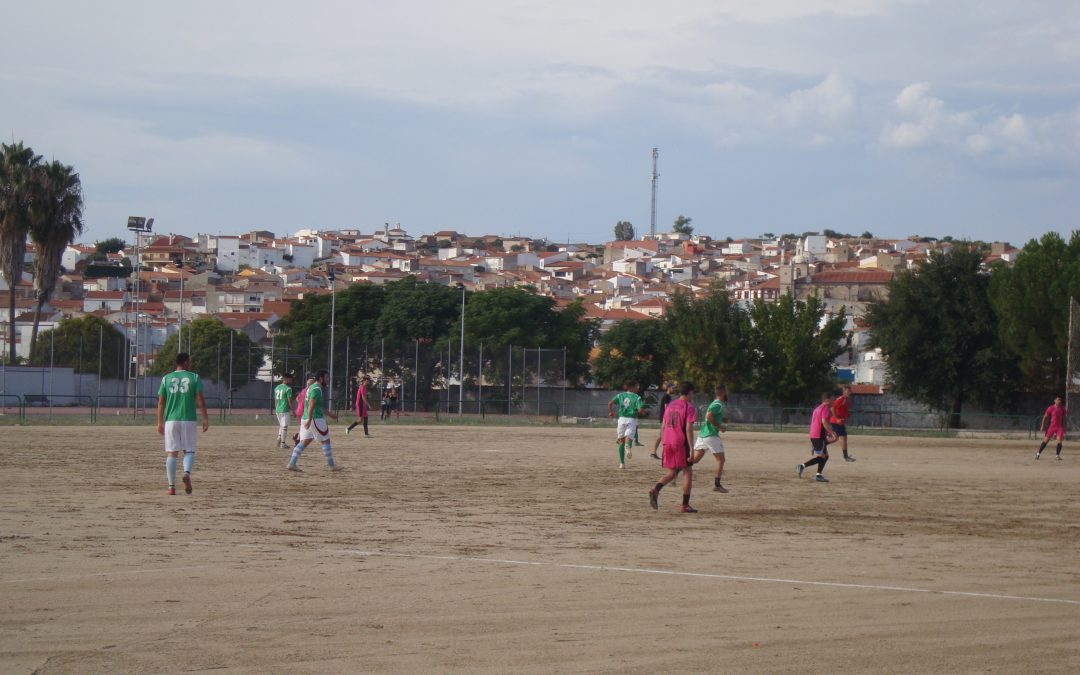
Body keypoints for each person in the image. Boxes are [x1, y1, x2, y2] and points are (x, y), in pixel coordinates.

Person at [156, 352, 209, 495]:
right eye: (189, 361)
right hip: (188, 419)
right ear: (185, 362)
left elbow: (161, 402)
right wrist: (205, 419)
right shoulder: (194, 377)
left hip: (171, 420)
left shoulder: (166, 378)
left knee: (172, 453)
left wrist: (159, 422)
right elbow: (200, 400)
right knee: (189, 450)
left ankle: (171, 487)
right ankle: (186, 473)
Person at [649, 381, 698, 512]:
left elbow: (663, 425)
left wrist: (664, 441)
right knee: (687, 471)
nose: (693, 395)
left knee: (671, 472)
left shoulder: (670, 405)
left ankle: (656, 489)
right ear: (689, 392)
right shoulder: (689, 407)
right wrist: (692, 448)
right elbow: (688, 429)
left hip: (667, 441)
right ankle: (685, 505)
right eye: (693, 392)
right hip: (680, 443)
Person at [287, 370, 343, 472]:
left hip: (306, 418)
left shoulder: (311, 388)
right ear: (320, 378)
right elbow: (312, 404)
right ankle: (331, 466)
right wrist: (309, 418)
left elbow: (316, 405)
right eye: (326, 377)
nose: (327, 380)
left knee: (304, 441)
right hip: (315, 419)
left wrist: (330, 415)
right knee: (325, 440)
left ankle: (292, 463)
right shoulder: (317, 389)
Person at [691, 384, 729, 492]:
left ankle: (676, 470)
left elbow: (711, 415)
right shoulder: (718, 404)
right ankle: (717, 485)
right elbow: (709, 416)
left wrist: (722, 419)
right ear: (722, 392)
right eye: (725, 391)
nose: (727, 393)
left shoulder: (715, 403)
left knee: (694, 460)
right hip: (711, 435)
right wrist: (720, 426)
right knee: (721, 460)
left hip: (703, 435)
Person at [797, 391, 839, 483]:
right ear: (827, 400)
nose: (834, 401)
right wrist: (832, 433)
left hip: (814, 435)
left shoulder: (817, 409)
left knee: (825, 456)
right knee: (822, 456)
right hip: (818, 435)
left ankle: (818, 475)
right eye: (833, 399)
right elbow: (824, 422)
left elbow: (815, 423)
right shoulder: (826, 408)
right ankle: (802, 466)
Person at [608, 380, 644, 469]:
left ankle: (622, 463)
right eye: (637, 387)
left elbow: (610, 403)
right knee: (629, 438)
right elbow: (640, 410)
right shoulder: (637, 397)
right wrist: (641, 411)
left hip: (621, 419)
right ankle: (628, 446)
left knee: (621, 441)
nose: (638, 389)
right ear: (632, 387)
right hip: (631, 419)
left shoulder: (620, 395)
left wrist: (611, 412)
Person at [1036, 396, 1068, 460]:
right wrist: (1042, 426)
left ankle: (1057, 455)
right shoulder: (1050, 408)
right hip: (1051, 427)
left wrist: (1065, 427)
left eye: (1060, 400)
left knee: (1059, 441)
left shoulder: (1063, 408)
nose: (1059, 401)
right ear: (1055, 401)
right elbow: (1045, 417)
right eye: (1058, 400)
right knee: (1045, 441)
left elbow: (1064, 418)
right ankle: (1038, 454)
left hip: (1059, 427)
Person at [650, 383, 674, 460]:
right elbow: (666, 408)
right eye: (673, 388)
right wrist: (669, 418)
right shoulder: (667, 396)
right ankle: (664, 455)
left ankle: (654, 452)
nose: (674, 389)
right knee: (664, 436)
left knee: (661, 435)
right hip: (665, 419)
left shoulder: (667, 396)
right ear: (669, 388)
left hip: (664, 418)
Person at [831, 384, 855, 461]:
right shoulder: (841, 399)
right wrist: (837, 419)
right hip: (836, 422)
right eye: (848, 391)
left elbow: (843, 412)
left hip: (840, 422)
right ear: (844, 392)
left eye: (850, 391)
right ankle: (846, 457)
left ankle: (820, 445)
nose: (849, 392)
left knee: (838, 438)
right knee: (842, 438)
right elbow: (832, 408)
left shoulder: (847, 401)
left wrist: (848, 415)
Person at [273, 373, 296, 449]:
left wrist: (276, 408)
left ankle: (279, 438)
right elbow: (290, 401)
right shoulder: (288, 388)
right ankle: (283, 443)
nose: (291, 381)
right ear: (285, 379)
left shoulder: (277, 388)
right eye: (290, 379)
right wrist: (293, 411)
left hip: (278, 410)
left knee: (282, 426)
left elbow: (276, 400)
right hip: (284, 409)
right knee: (284, 427)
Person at [290, 377, 315, 445]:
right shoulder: (311, 391)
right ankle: (298, 439)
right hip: (304, 411)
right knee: (307, 427)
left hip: (299, 410)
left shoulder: (303, 390)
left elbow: (297, 398)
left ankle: (297, 436)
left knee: (303, 426)